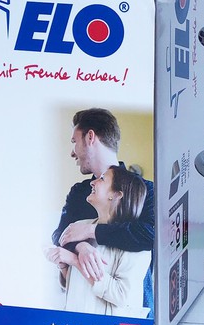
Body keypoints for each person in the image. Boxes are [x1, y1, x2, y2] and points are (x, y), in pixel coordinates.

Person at [51, 108, 155, 275]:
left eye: (74, 142)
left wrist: (91, 230)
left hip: (134, 291)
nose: (72, 153)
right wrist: (80, 246)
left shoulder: (147, 190)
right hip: (82, 290)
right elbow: (59, 236)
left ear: (90, 137)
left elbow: (153, 235)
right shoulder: (79, 193)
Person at [45, 165, 153, 315]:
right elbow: (75, 285)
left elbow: (122, 295)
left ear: (116, 195)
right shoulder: (79, 226)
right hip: (75, 324)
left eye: (102, 179)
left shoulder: (135, 243)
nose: (92, 182)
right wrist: (63, 266)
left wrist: (75, 261)